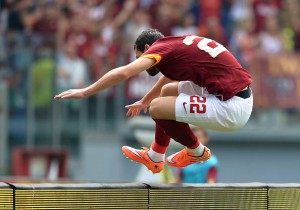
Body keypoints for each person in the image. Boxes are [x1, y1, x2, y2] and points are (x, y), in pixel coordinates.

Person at [54, 29, 253, 174]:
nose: (141, 61)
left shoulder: (159, 50)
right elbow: (167, 79)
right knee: (164, 93)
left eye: (139, 55)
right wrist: (144, 100)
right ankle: (156, 157)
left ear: (148, 48)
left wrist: (86, 91)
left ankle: (196, 151)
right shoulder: (176, 45)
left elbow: (124, 72)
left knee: (157, 108)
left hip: (231, 107)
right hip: (231, 94)